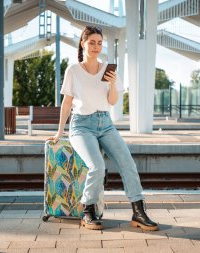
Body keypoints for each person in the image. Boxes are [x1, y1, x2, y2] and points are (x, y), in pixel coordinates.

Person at [47, 26, 158, 231]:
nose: (96, 46)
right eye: (92, 42)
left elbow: (113, 101)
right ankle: (88, 210)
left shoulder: (109, 69)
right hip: (81, 125)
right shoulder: (73, 70)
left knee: (128, 163)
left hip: (105, 124)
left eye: (99, 43)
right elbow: (67, 103)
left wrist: (113, 83)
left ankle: (139, 212)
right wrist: (60, 131)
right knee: (97, 167)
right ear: (83, 43)